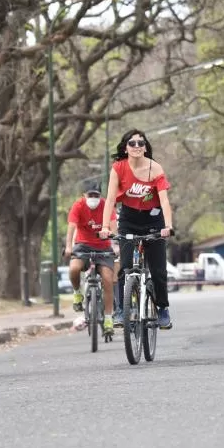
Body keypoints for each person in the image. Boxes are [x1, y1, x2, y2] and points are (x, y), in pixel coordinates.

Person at [98, 129, 174, 329]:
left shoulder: (155, 168)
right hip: (129, 219)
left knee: (158, 270)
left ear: (146, 147)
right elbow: (111, 201)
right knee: (124, 268)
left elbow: (165, 201)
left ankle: (163, 309)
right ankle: (123, 311)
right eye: (132, 143)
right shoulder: (118, 168)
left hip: (154, 220)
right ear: (126, 147)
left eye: (141, 143)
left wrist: (168, 226)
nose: (137, 146)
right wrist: (105, 226)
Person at [65, 180, 116, 335]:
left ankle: (108, 319)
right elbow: (71, 227)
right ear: (84, 195)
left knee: (108, 279)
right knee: (74, 269)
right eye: (90, 195)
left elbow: (114, 225)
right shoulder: (78, 206)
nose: (93, 198)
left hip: (103, 246)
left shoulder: (106, 205)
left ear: (100, 195)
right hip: (83, 244)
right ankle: (77, 293)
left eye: (96, 195)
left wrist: (112, 237)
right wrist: (68, 247)